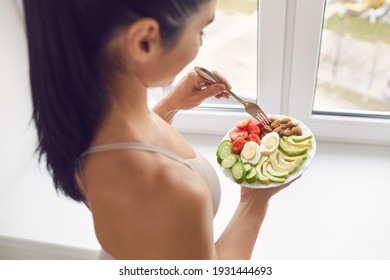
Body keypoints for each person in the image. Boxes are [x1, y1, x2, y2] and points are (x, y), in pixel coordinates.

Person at [23, 0, 299, 259]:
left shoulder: (81, 119)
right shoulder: (170, 189)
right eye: (200, 30)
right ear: (144, 42)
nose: (200, 44)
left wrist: (169, 105)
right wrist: (255, 199)